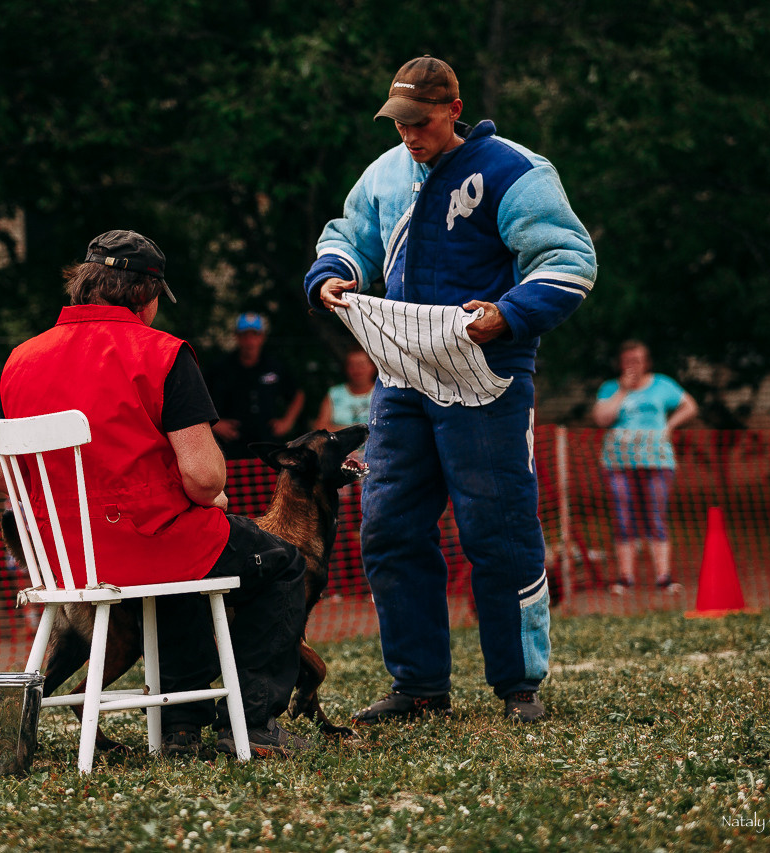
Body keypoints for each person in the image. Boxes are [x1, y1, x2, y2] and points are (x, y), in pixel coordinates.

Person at [303, 56, 597, 725]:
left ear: (453, 109)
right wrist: (333, 273)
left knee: (497, 530)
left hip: (486, 376)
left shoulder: (514, 170)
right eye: (400, 121)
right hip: (402, 376)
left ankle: (519, 684)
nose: (410, 133)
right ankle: (419, 684)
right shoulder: (386, 172)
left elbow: (570, 260)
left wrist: (509, 313)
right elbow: (349, 233)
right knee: (387, 527)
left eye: (422, 121)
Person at [0, 230, 310, 758]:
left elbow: (1, 478)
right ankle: (251, 724)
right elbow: (206, 480)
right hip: (146, 546)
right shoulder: (163, 353)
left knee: (186, 565)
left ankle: (182, 729)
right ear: (146, 293)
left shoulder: (21, 358)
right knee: (280, 564)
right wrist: (211, 500)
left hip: (63, 558)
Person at [592, 340, 698, 593]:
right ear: (621, 363)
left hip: (657, 460)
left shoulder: (662, 384)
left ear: (647, 363)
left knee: (656, 515)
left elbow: (690, 406)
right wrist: (622, 391)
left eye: (637, 361)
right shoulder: (610, 388)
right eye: (628, 361)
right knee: (623, 517)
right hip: (618, 461)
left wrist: (669, 427)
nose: (633, 366)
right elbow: (601, 418)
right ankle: (624, 578)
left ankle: (664, 577)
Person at [205, 312, 306, 459]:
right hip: (231, 444)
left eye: (255, 334)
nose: (250, 340)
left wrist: (287, 421)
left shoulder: (275, 365)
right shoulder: (220, 367)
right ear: (237, 336)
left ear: (263, 336)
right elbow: (197, 397)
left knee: (271, 479)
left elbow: (297, 394)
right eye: (244, 335)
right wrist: (215, 424)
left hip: (267, 441)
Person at [312, 347, 377, 432]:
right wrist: (355, 432)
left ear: (373, 366)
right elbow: (320, 426)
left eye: (361, 364)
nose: (357, 369)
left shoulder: (382, 393)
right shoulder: (335, 393)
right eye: (351, 365)